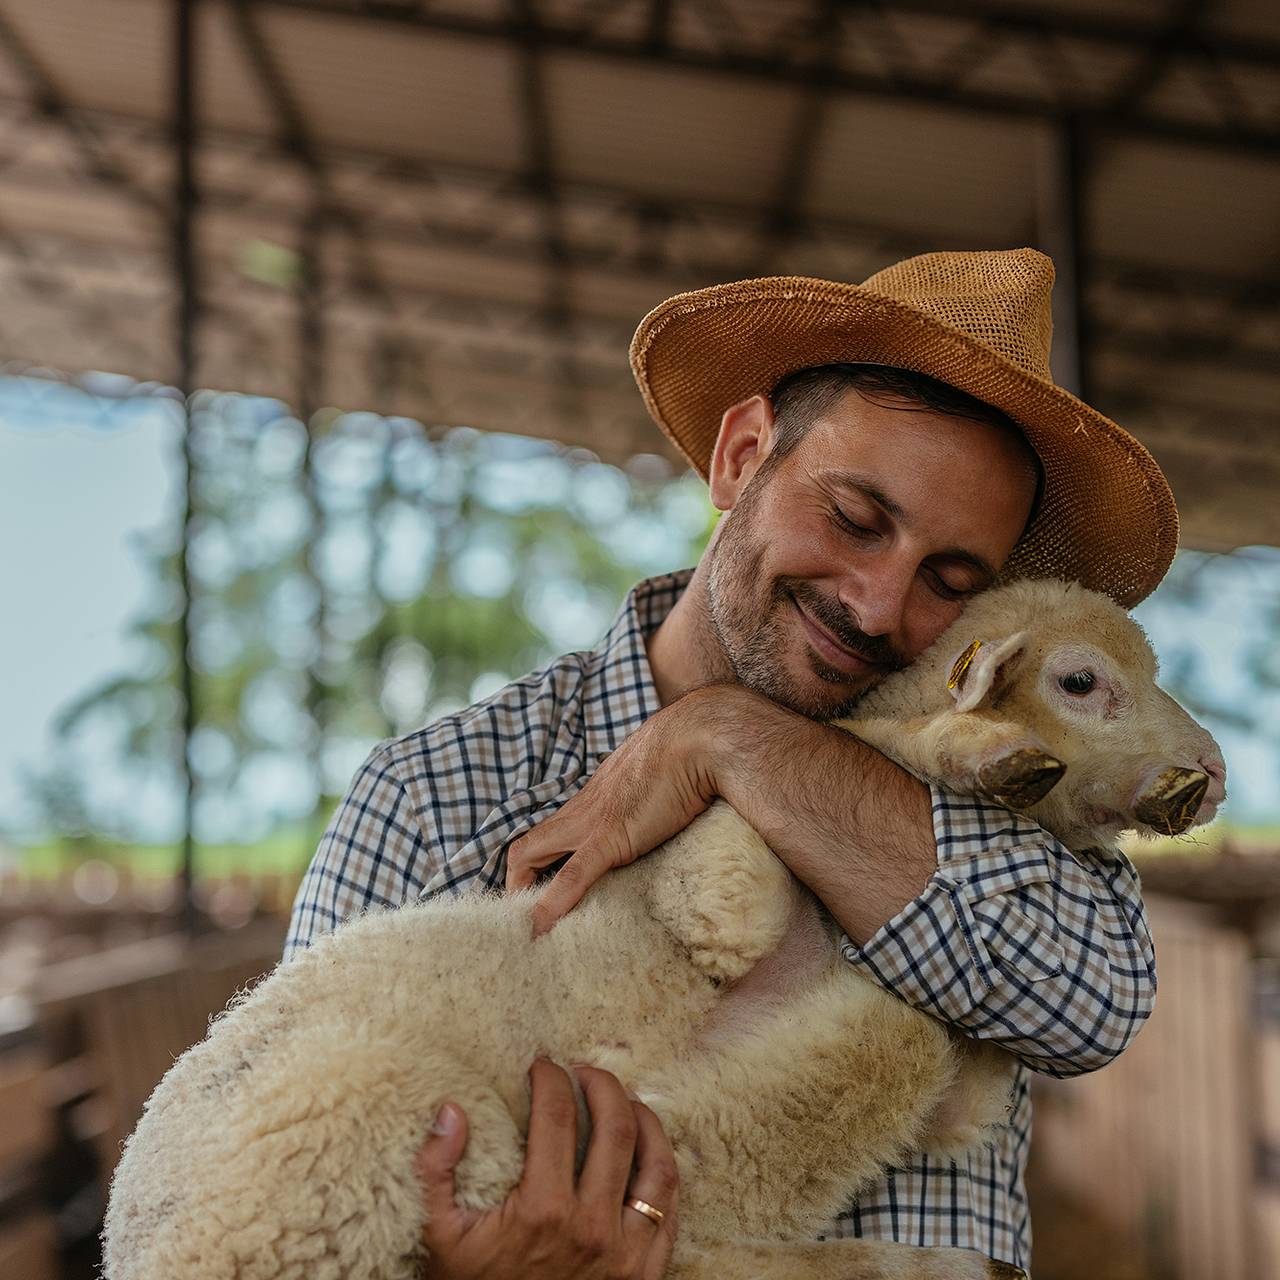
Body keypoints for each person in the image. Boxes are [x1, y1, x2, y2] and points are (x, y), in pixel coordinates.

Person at [284, 248, 1176, 1278]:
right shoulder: (436, 794)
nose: (878, 606)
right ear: (742, 455)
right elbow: (285, 1181)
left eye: (947, 580)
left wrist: (726, 737)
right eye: (854, 519)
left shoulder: (1000, 779)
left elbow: (1091, 1003)